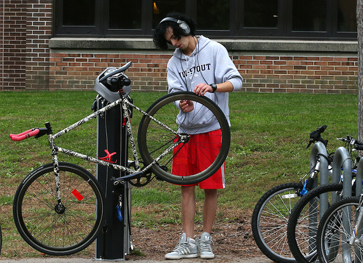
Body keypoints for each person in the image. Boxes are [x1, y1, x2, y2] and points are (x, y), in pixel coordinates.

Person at [153, 13, 243, 260]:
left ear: (185, 29)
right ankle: (187, 240)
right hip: (185, 133)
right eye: (169, 41)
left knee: (211, 186)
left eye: (176, 38)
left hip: (213, 128)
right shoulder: (174, 63)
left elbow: (236, 81)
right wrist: (182, 104)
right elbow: (174, 92)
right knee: (186, 187)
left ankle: (206, 238)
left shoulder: (214, 50)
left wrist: (213, 87)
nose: (174, 44)